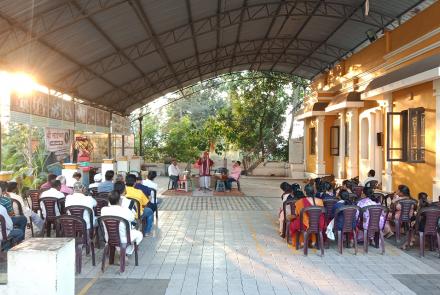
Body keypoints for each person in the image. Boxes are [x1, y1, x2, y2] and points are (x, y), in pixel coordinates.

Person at [101, 191, 143, 255]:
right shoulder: (125, 211)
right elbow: (132, 219)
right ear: (120, 200)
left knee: (122, 234)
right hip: (123, 239)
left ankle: (121, 252)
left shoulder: (103, 210)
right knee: (139, 234)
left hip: (108, 237)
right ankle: (125, 252)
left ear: (109, 201)